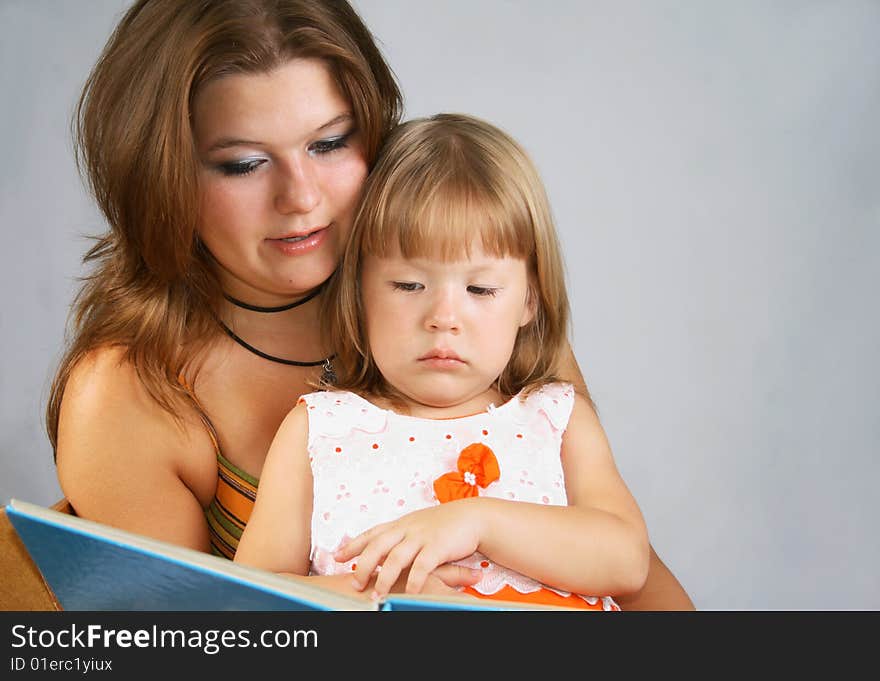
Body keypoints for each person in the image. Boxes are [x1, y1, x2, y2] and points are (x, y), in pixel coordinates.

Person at [42, 0, 693, 610]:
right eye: (243, 163)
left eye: (328, 143)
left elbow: (637, 581)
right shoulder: (130, 395)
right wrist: (381, 601)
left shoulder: (473, 316)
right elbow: (192, 646)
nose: (301, 196)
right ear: (161, 173)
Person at [234, 113, 651, 610]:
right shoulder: (321, 430)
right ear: (360, 292)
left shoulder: (554, 418)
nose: (443, 318)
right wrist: (372, 597)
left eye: (480, 289)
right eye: (409, 285)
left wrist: (478, 521)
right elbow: (248, 599)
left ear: (528, 301)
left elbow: (627, 560)